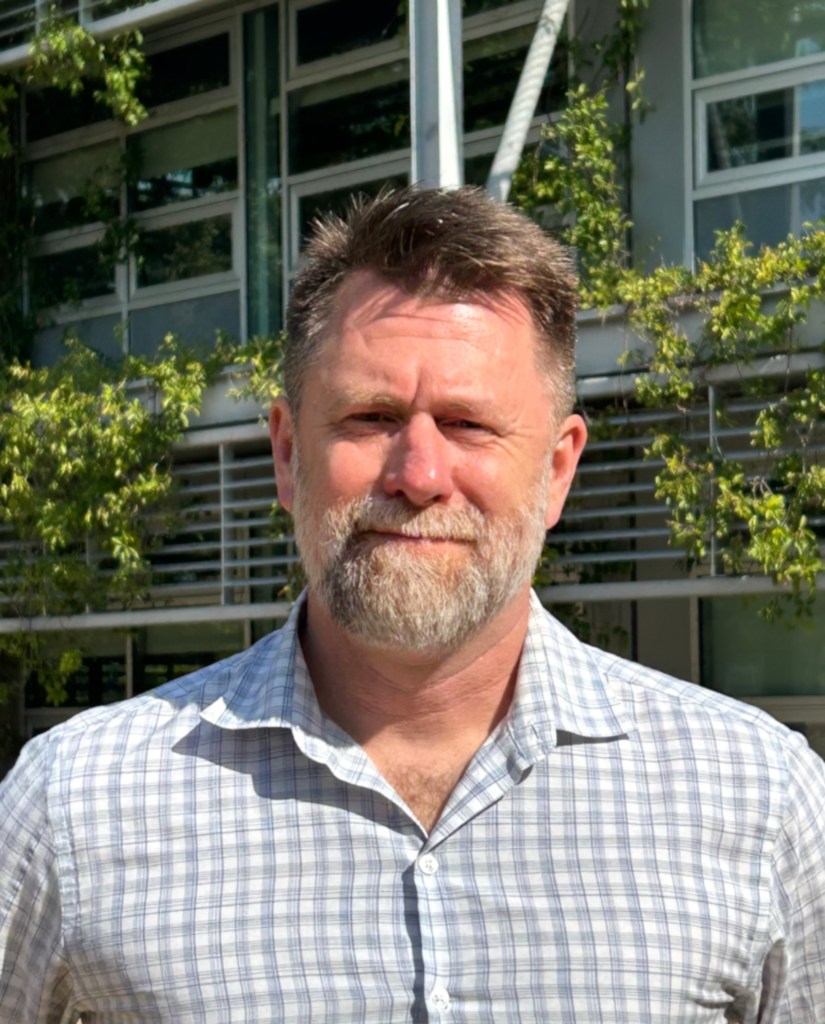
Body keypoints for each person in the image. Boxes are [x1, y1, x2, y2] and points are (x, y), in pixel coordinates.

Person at [1, 186, 824, 1023]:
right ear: (288, 456)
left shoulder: (760, 803)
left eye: (468, 424)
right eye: (370, 416)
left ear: (556, 470)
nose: (418, 475)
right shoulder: (74, 807)